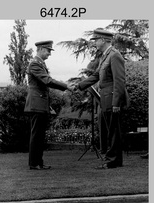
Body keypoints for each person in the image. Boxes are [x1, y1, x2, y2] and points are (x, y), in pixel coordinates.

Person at [71, 29, 129, 169]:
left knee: (113, 130)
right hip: (106, 98)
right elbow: (96, 76)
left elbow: (119, 81)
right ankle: (114, 160)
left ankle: (112, 161)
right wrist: (79, 86)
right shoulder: (105, 56)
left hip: (111, 99)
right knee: (111, 130)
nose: (95, 43)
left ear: (103, 40)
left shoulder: (114, 55)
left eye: (96, 40)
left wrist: (116, 103)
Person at [24, 40, 69, 170]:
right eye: (48, 50)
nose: (50, 53)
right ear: (41, 49)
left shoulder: (40, 64)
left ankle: (39, 162)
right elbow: (47, 81)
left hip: (40, 103)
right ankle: (34, 163)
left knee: (40, 135)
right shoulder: (35, 64)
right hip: (36, 103)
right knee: (36, 134)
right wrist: (66, 86)